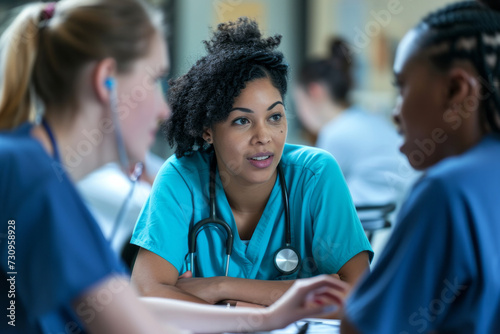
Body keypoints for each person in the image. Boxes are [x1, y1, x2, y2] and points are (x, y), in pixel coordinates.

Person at [0, 1, 350, 333]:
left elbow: (128, 305)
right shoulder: (29, 177)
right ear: (106, 79)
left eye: (275, 116)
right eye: (153, 79)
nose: (163, 109)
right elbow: (133, 322)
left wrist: (266, 316)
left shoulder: (28, 169)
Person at [130, 17, 372, 311]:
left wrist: (221, 287)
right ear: (208, 129)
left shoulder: (315, 175)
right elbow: (145, 293)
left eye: (274, 117)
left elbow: (358, 298)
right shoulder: (181, 178)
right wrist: (289, 300)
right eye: (242, 121)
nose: (263, 137)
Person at [341, 1, 500, 333]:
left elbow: (362, 328)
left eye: (402, 87)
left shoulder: (448, 191)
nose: (395, 113)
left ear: (456, 90)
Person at [294, 38, 414, 208]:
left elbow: (310, 197)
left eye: (299, 102)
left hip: (373, 226)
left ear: (315, 91)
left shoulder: (336, 133)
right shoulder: (368, 119)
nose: (299, 114)